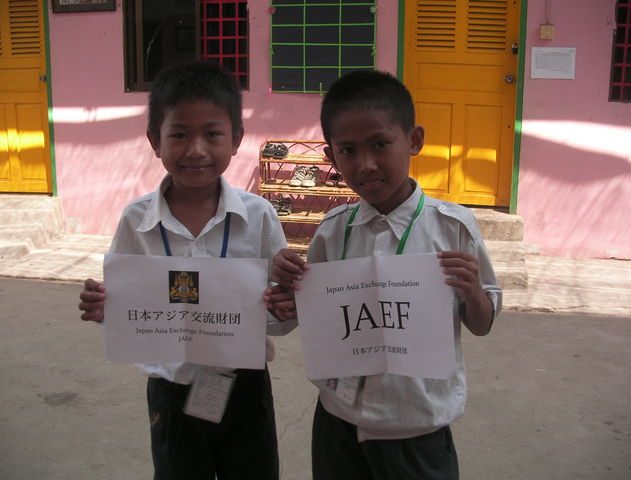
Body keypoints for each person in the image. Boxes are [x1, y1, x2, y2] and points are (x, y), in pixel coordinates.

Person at [265, 70, 502, 479]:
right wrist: (287, 297)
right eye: (348, 150)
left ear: (414, 140)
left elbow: (482, 324)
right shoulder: (332, 230)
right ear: (332, 156)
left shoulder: (452, 228)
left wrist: (473, 292)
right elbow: (309, 312)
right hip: (339, 418)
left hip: (416, 423)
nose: (366, 164)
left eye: (380, 144)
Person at [78, 60, 294, 480]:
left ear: (237, 139)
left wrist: (286, 304)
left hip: (244, 386)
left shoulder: (259, 216)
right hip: (170, 390)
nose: (196, 149)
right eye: (179, 134)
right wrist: (106, 309)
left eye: (212, 134)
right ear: (154, 141)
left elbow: (279, 304)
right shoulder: (136, 220)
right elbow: (125, 303)